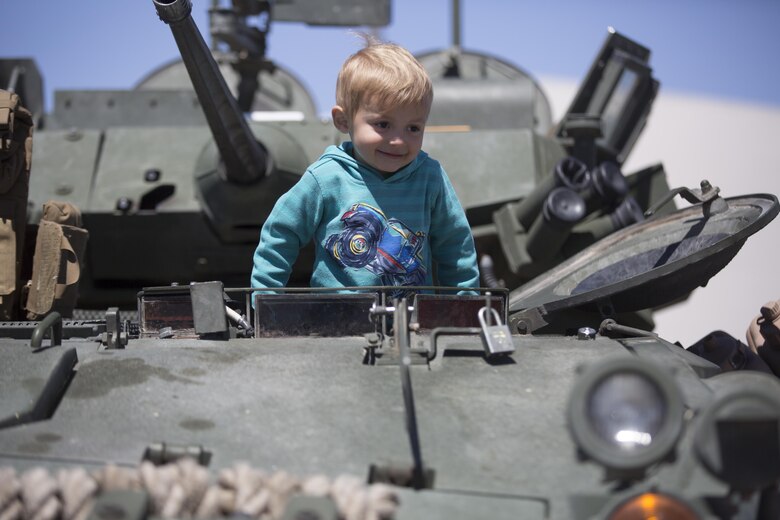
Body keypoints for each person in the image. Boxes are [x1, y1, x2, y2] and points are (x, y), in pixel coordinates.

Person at [250, 38, 479, 298]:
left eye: (413, 128)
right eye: (383, 124)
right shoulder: (326, 178)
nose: (398, 140)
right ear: (343, 120)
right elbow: (281, 232)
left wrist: (464, 307)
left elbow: (456, 246)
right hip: (335, 323)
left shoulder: (430, 178)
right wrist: (266, 299)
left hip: (412, 324)